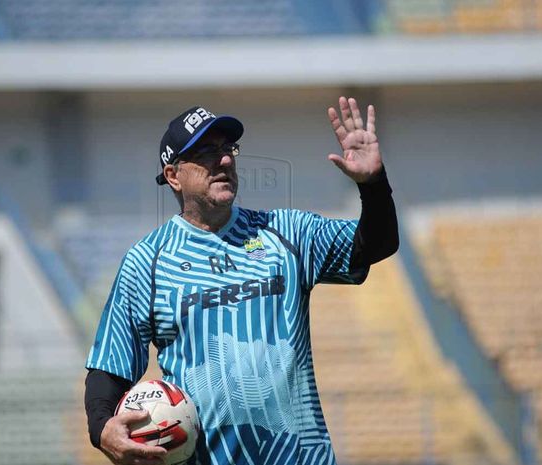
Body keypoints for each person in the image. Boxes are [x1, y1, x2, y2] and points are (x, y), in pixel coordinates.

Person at [84, 96, 399, 465]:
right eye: (205, 152)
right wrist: (102, 427)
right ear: (173, 175)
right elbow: (110, 367)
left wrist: (373, 184)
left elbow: (375, 244)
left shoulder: (286, 234)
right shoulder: (146, 263)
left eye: (228, 148)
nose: (225, 160)